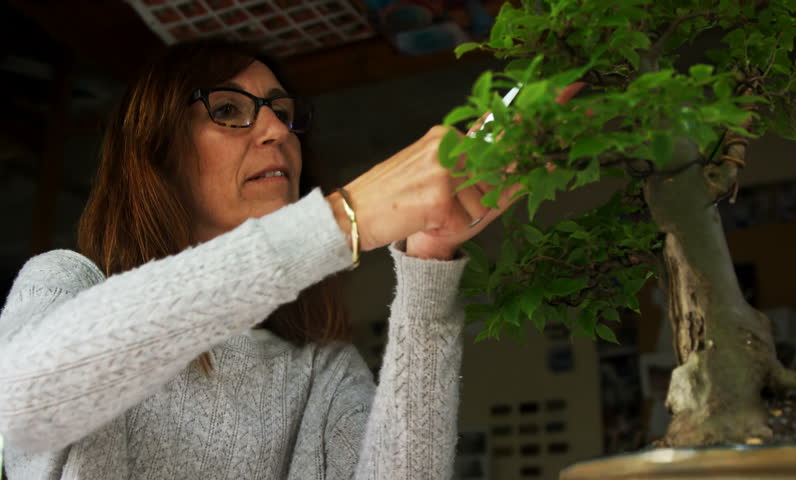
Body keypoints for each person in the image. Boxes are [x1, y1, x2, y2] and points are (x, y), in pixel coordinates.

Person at [0, 39, 518, 479]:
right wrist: (343, 219)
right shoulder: (65, 283)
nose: (275, 131)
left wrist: (429, 262)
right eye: (228, 109)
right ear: (155, 151)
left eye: (283, 112)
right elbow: (21, 402)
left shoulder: (321, 368)